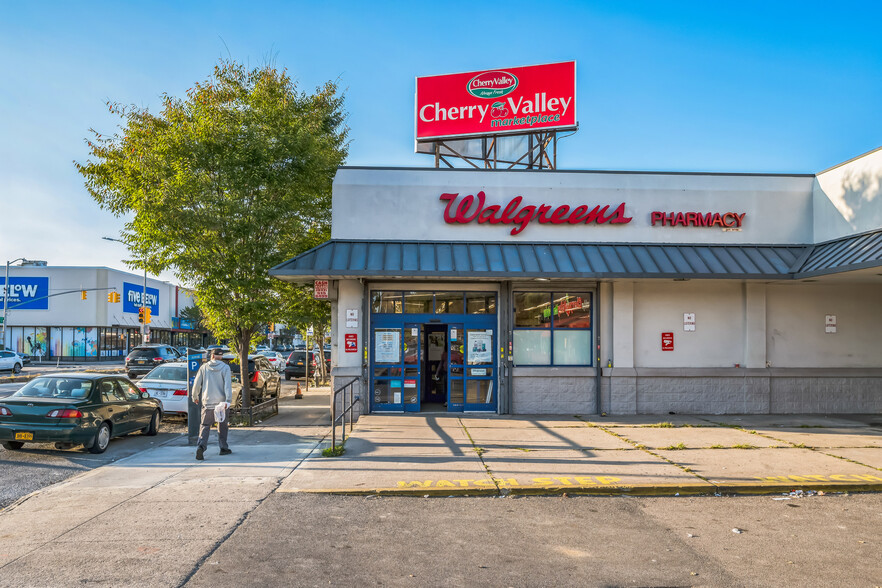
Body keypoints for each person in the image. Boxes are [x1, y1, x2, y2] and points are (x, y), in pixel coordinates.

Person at [191, 347, 233, 460]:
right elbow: (228, 385)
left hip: (207, 401)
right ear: (221, 356)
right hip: (221, 403)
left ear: (212, 356)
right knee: (222, 425)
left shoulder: (204, 367)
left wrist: (195, 396)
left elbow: (196, 384)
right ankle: (223, 448)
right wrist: (228, 400)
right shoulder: (225, 368)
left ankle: (201, 446)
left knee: (205, 426)